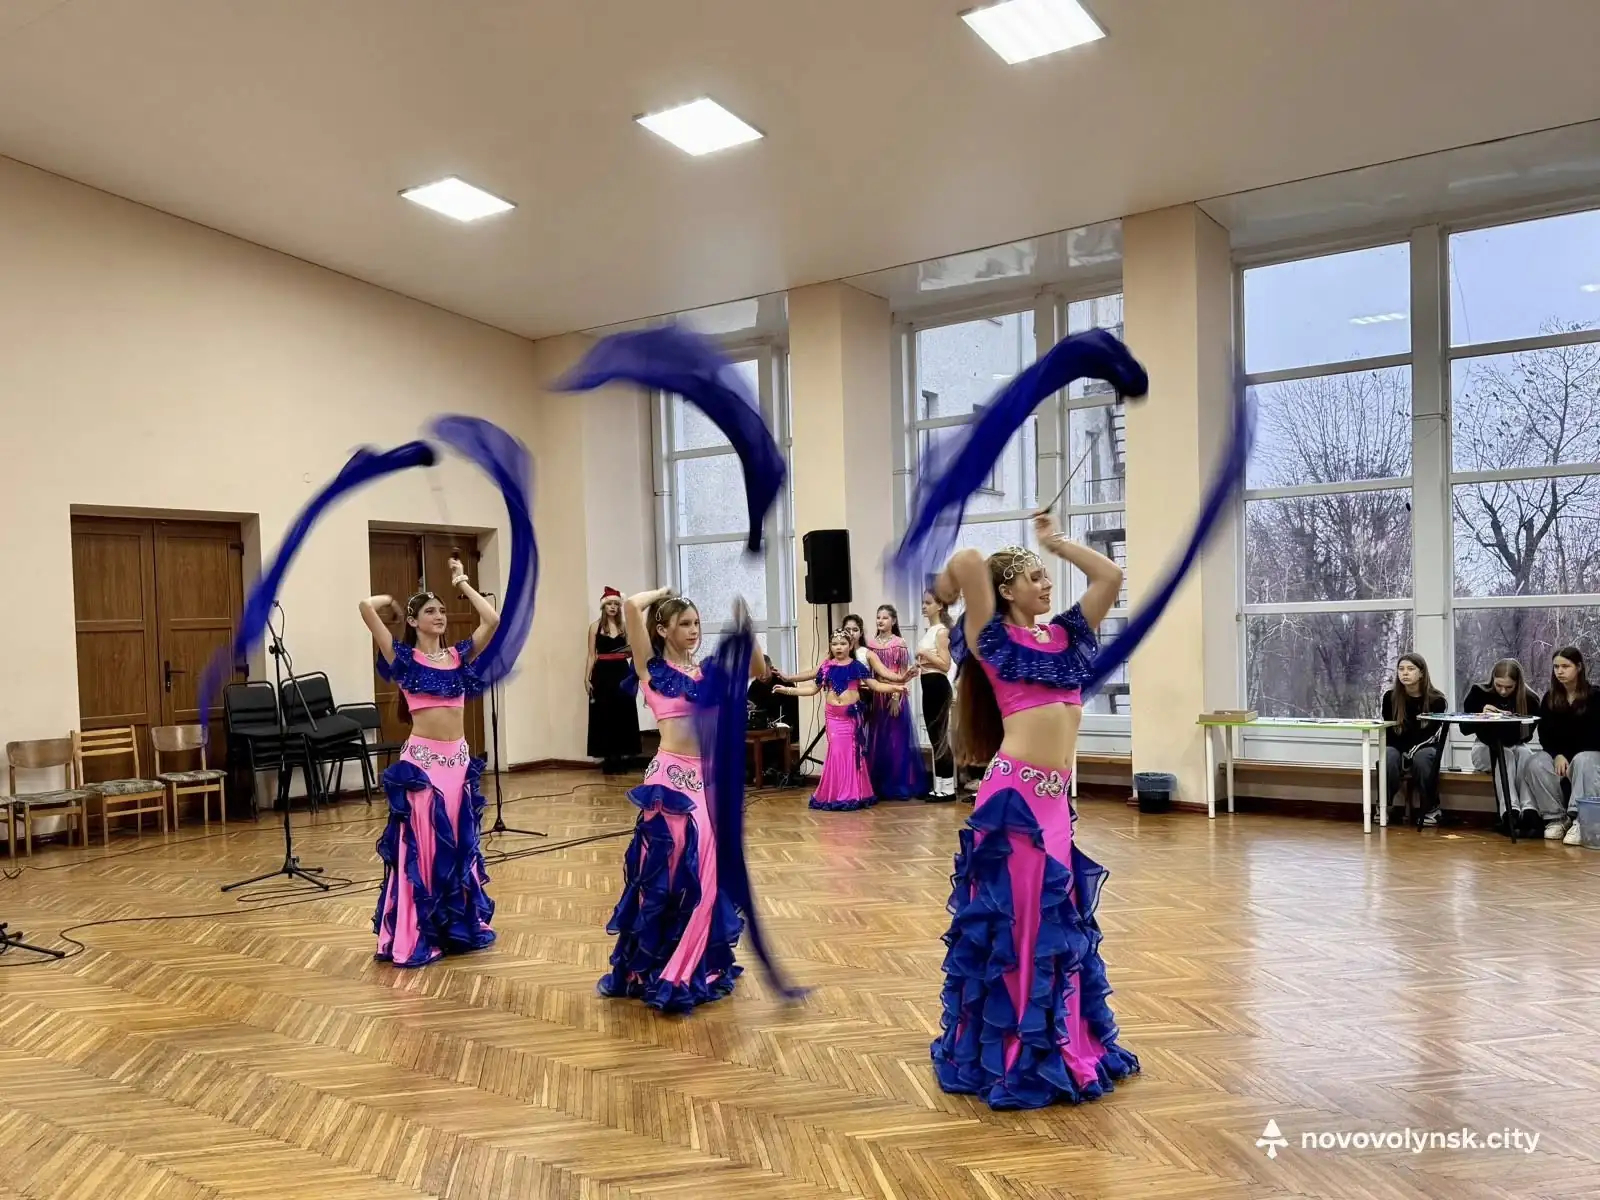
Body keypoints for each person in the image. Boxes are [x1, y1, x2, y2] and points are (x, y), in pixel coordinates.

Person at [927, 513, 1139, 1109]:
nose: (1047, 586)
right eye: (1035, 577)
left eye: (1047, 577)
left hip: (1054, 804)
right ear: (1007, 590)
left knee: (1057, 928)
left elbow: (1110, 575)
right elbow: (968, 560)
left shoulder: (1065, 637)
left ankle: (1060, 1041)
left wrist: (1055, 543)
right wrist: (949, 588)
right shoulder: (990, 640)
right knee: (1021, 928)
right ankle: (1017, 1051)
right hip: (1014, 803)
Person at [598, 587, 744, 1011]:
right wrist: (664, 593)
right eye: (684, 623)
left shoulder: (706, 673)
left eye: (696, 623)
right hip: (669, 784)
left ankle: (693, 962)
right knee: (665, 877)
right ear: (662, 629)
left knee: (705, 877)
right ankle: (656, 965)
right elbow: (631, 607)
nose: (694, 630)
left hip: (707, 784)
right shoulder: (651, 668)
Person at [362, 555, 499, 967]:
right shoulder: (403, 658)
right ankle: (418, 931)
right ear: (414, 620)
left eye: (441, 610)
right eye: (430, 611)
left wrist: (462, 583)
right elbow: (365, 609)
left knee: (456, 846)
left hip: (457, 764)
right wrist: (389, 601)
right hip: (423, 766)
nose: (439, 616)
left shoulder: (458, 655)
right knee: (421, 848)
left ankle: (455, 927)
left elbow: (491, 620)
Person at [776, 631, 906, 811]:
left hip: (850, 716)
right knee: (837, 752)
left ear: (850, 646)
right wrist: (787, 690)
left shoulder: (857, 666)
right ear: (830, 647)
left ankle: (852, 794)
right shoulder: (826, 667)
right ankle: (836, 793)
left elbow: (875, 685)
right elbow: (812, 689)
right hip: (833, 717)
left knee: (851, 753)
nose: (838, 647)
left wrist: (895, 688)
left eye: (843, 643)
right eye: (835, 644)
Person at [1460, 659, 1557, 839]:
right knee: (1506, 755)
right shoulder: (1478, 692)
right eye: (1499, 686)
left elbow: (1525, 737)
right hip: (1484, 748)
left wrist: (1509, 720)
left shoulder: (1530, 699)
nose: (1503, 691)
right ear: (1492, 680)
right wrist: (1481, 715)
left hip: (1515, 745)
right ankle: (1510, 812)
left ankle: (1529, 811)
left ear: (1517, 684)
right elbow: (1464, 729)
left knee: (1525, 754)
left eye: (1509, 687)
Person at [1526, 646, 1600, 846]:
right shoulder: (1550, 698)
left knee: (1583, 760)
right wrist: (1557, 754)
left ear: (1579, 667)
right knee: (1535, 762)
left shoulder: (1595, 696)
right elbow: (1545, 735)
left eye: (1565, 666)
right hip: (1561, 757)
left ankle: (1581, 820)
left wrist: (1573, 758)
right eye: (1556, 667)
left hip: (1590, 757)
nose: (1559, 671)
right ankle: (1556, 818)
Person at [864, 605, 931, 801]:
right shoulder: (871, 644)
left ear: (893, 621)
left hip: (895, 696)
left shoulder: (899, 643)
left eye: (885, 618)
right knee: (878, 739)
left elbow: (901, 673)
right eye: (878, 617)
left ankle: (898, 784)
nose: (880, 621)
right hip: (877, 695)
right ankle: (878, 784)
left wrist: (895, 697)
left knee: (896, 740)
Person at [1380, 653, 1449, 826]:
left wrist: (1410, 753)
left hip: (1425, 746)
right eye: (1401, 669)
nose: (1405, 673)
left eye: (1410, 669)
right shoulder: (1390, 698)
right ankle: (1383, 806)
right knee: (1388, 755)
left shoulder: (1437, 700)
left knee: (1422, 758)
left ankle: (1431, 809)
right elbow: (1390, 732)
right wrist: (1403, 753)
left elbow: (1430, 735)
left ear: (1421, 673)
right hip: (1398, 745)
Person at [586, 587, 641, 774]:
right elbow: (591, 655)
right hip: (602, 674)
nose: (613, 607)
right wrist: (586, 678)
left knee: (622, 713)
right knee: (604, 713)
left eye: (616, 604)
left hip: (622, 673)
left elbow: (633, 651)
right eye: (609, 604)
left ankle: (622, 757)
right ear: (603, 606)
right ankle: (608, 758)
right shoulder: (595, 627)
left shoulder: (625, 627)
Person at [916, 590, 957, 801]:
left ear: (940, 605)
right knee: (935, 738)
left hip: (938, 686)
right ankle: (939, 785)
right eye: (923, 603)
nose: (924, 606)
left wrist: (924, 654)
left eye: (928, 602)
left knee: (940, 738)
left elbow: (945, 664)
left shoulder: (941, 631)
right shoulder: (930, 631)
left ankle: (948, 788)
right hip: (928, 684)